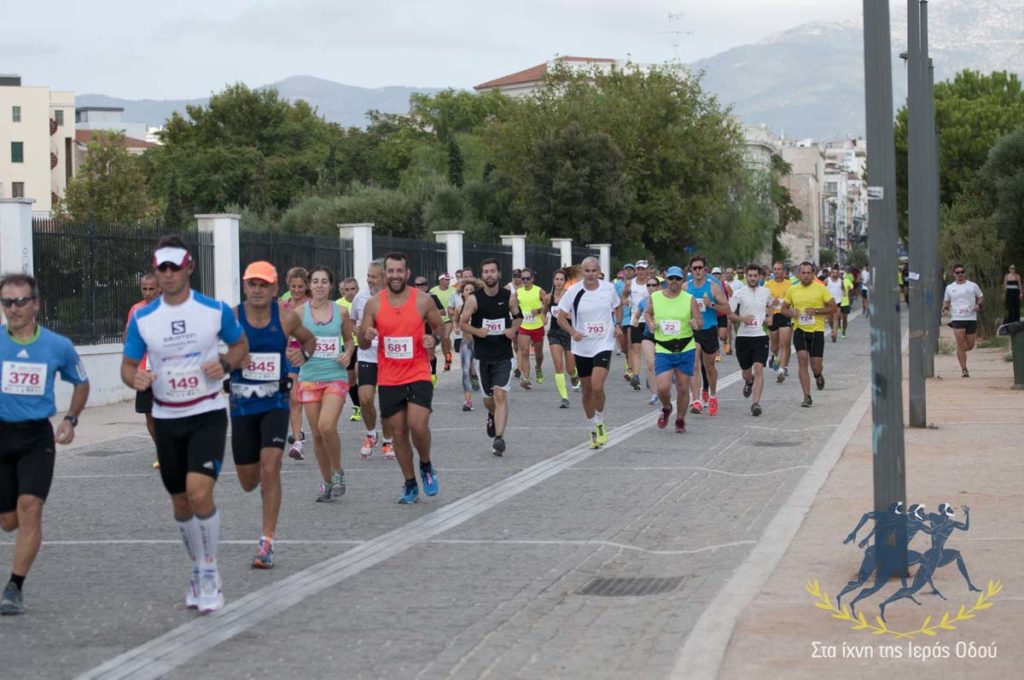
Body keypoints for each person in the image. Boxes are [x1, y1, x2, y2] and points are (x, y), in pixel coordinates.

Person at [121, 236, 248, 613]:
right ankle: (197, 566)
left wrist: (225, 363)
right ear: (156, 271)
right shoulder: (143, 319)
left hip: (206, 413)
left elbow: (241, 347)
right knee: (179, 501)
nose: (169, 275)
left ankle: (210, 570)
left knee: (198, 492)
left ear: (189, 267)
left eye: (175, 267)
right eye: (163, 268)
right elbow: (128, 366)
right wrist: (135, 379)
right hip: (166, 418)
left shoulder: (213, 311)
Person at [0, 273, 90, 616]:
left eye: (21, 301)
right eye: (7, 302)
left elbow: (81, 382)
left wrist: (70, 419)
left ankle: (14, 586)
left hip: (36, 437)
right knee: (8, 521)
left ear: (35, 303)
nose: (14, 309)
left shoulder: (57, 345)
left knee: (30, 508)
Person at [228, 262, 315, 568]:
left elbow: (309, 340)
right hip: (241, 407)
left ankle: (266, 542)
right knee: (249, 481)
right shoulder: (233, 318)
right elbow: (213, 351)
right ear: (245, 287)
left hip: (275, 404)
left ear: (275, 288)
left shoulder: (286, 317)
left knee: (271, 466)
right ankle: (265, 483)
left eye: (263, 284)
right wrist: (229, 360)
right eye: (252, 284)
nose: (257, 290)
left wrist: (300, 355)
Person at [358, 252, 446, 503]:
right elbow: (363, 342)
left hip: (418, 372)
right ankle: (409, 483)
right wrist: (368, 333)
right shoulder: (374, 304)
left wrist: (435, 339)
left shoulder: (423, 301)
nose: (395, 275)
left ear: (407, 273)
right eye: (391, 271)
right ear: (384, 274)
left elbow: (440, 326)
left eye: (400, 271)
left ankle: (426, 465)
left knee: (418, 425)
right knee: (398, 433)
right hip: (389, 377)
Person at [294, 266, 355, 502]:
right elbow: (291, 343)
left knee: (327, 426)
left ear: (331, 285)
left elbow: (349, 340)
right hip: (309, 378)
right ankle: (327, 480)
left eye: (324, 281)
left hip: (335, 376)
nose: (319, 285)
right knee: (317, 435)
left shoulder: (340, 312)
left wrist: (347, 353)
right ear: (309, 286)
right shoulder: (299, 313)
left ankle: (338, 471)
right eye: (315, 281)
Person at [557, 256, 622, 448]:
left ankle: (601, 421)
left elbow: (617, 307)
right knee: (586, 389)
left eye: (594, 271)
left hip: (603, 343)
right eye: (587, 271)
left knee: (597, 386)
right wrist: (573, 332)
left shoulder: (608, 288)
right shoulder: (574, 292)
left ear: (599, 271)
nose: (591, 274)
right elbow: (561, 318)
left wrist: (618, 324)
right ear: (582, 272)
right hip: (582, 346)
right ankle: (592, 426)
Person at [461, 258, 521, 456]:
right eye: (486, 272)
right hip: (482, 356)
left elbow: (518, 317)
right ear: (482, 275)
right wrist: (477, 331)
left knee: (500, 394)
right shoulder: (474, 299)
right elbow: (462, 323)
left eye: (492, 271)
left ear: (499, 274)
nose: (489, 275)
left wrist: (513, 329)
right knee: (489, 400)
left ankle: (499, 438)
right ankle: (491, 415)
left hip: (503, 355)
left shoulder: (509, 296)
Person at [349, 261, 395, 460]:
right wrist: (355, 329)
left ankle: (388, 440)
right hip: (367, 356)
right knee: (365, 398)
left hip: (389, 358)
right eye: (368, 276)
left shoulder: (394, 298)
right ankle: (371, 434)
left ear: (384, 278)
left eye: (373, 276)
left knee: (387, 403)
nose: (369, 280)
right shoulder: (360, 298)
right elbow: (352, 321)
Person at [645, 266, 699, 433]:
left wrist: (695, 323)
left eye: (678, 279)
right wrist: (650, 322)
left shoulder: (689, 298)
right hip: (663, 348)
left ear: (682, 281)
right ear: (666, 280)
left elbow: (699, 320)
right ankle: (667, 407)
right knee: (663, 387)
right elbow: (647, 313)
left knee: (683, 387)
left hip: (685, 347)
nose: (674, 282)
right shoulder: (655, 297)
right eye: (671, 279)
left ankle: (680, 420)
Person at [782, 261, 837, 407]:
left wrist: (817, 311)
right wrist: (791, 313)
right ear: (799, 274)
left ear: (813, 274)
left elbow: (833, 308)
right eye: (803, 273)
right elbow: (784, 309)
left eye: (808, 273)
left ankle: (818, 375)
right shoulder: (792, 290)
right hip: (800, 330)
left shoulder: (821, 289)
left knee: (816, 366)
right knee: (802, 359)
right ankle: (807, 396)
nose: (805, 276)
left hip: (817, 331)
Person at [685, 256, 728, 416]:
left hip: (709, 329)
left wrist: (711, 305)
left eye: (700, 268)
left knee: (709, 367)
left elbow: (727, 308)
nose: (697, 271)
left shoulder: (713, 287)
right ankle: (696, 400)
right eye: (694, 268)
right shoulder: (685, 287)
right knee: (694, 363)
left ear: (705, 269)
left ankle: (713, 395)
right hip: (692, 330)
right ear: (691, 270)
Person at [729, 264, 773, 416]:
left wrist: (770, 317)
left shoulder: (766, 292)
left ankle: (756, 403)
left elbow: (770, 306)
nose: (753, 278)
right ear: (746, 276)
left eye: (755, 276)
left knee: (759, 368)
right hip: (743, 337)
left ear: (759, 276)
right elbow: (730, 314)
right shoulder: (739, 293)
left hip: (760, 336)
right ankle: (749, 381)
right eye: (750, 276)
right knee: (746, 373)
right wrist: (742, 318)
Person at [125, 273, 160, 468]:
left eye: (151, 289)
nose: (148, 293)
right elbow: (128, 339)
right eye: (144, 289)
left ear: (160, 288)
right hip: (144, 371)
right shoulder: (136, 310)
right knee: (149, 414)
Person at [282, 267, 310, 460]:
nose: (297, 290)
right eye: (293, 286)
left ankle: (319, 432)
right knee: (294, 398)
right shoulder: (283, 305)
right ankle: (298, 441)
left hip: (312, 355)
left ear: (306, 286)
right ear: (288, 285)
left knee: (314, 398)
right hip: (291, 355)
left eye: (301, 286)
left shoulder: (313, 305)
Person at [943, 264, 984, 378]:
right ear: (953, 274)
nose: (960, 274)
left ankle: (960, 351)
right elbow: (946, 301)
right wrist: (946, 309)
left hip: (971, 317)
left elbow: (980, 296)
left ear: (964, 273)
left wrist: (978, 305)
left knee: (970, 345)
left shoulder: (972, 286)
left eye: (962, 272)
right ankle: (964, 370)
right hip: (957, 318)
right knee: (960, 342)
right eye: (957, 272)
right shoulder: (950, 287)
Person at [544, 269, 576, 408]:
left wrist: (570, 317)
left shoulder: (570, 297)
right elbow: (543, 309)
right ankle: (564, 397)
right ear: (553, 281)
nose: (558, 282)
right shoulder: (548, 297)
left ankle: (575, 375)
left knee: (570, 368)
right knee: (558, 365)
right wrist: (543, 318)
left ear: (565, 282)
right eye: (556, 279)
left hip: (568, 333)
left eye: (561, 279)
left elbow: (578, 313)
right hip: (554, 333)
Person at [514, 267, 548, 390]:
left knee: (538, 354)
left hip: (537, 326)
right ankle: (526, 378)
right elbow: (513, 306)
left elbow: (547, 304)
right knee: (524, 352)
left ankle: (538, 367)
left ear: (532, 279)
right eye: (523, 278)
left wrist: (539, 311)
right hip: (524, 326)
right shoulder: (518, 292)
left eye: (528, 278)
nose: (525, 280)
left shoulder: (539, 291)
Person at [632, 278, 662, 405]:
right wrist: (635, 321)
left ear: (658, 286)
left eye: (653, 285)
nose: (650, 287)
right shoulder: (643, 302)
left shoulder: (664, 300)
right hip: (647, 335)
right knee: (650, 364)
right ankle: (655, 394)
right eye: (648, 285)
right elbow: (637, 315)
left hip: (664, 336)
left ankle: (663, 387)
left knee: (662, 365)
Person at [453, 279, 481, 411]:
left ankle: (492, 395)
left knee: (485, 370)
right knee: (465, 371)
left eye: (472, 290)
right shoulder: (459, 308)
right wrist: (456, 327)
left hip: (481, 342)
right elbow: (455, 320)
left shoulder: (480, 306)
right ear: (462, 293)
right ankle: (468, 401)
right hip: (466, 342)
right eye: (466, 290)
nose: (469, 291)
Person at [413, 276, 446, 386]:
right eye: (418, 285)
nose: (420, 287)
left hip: (429, 328)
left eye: (423, 285)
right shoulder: (410, 298)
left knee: (430, 353)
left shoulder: (432, 297)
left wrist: (430, 313)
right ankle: (423, 375)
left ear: (426, 286)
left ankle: (433, 373)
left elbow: (443, 312)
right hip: (415, 329)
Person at [337, 277, 362, 421]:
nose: (350, 292)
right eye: (347, 290)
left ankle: (366, 393)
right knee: (351, 379)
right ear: (342, 291)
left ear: (358, 289)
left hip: (363, 344)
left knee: (360, 370)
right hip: (346, 345)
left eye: (353, 289)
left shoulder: (365, 302)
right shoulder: (338, 305)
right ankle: (358, 406)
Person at [766, 261, 793, 383]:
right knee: (774, 346)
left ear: (784, 271)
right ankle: (776, 357)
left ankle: (782, 369)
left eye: (779, 269)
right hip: (773, 316)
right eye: (775, 269)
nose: (777, 271)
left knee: (784, 344)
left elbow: (794, 300)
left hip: (784, 315)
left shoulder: (789, 285)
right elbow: (764, 303)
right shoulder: (768, 285)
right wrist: (772, 303)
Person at [429, 273, 456, 371]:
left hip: (449, 320)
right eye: (446, 280)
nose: (448, 281)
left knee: (446, 337)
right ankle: (447, 357)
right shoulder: (433, 291)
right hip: (437, 321)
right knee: (442, 341)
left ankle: (448, 359)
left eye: (449, 280)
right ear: (440, 281)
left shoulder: (453, 291)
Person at [615, 263, 635, 362]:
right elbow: (613, 301)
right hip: (621, 317)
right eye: (626, 269)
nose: (628, 271)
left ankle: (630, 368)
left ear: (634, 271)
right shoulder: (617, 284)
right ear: (623, 271)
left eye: (631, 269)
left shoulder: (636, 284)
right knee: (624, 347)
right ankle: (628, 359)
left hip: (633, 318)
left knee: (630, 344)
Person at [825, 266, 845, 343]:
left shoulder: (841, 281)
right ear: (831, 273)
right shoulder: (827, 280)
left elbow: (843, 289)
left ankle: (835, 334)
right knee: (830, 319)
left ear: (838, 273)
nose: (835, 274)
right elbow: (822, 288)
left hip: (838, 302)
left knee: (836, 317)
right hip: (829, 302)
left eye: (836, 272)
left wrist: (843, 293)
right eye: (833, 272)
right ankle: (833, 329)